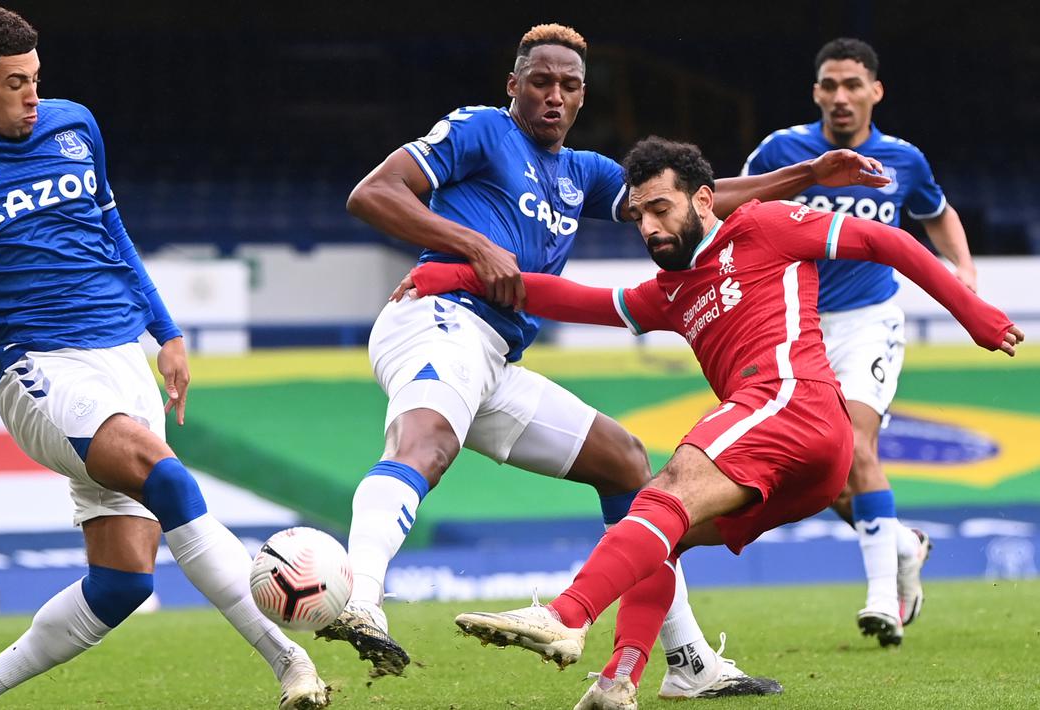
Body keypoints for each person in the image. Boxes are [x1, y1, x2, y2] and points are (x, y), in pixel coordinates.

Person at [320, 21, 887, 699]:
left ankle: (688, 662)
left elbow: (682, 197)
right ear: (513, 86)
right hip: (437, 318)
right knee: (426, 444)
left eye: (568, 85)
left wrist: (803, 174)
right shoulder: (477, 129)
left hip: (496, 353)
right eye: (540, 81)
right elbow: (372, 193)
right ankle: (361, 599)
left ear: (583, 96)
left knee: (623, 461)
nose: (553, 96)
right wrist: (471, 246)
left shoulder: (581, 173)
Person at [0, 7, 328, 710]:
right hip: (41, 372)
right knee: (168, 481)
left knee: (122, 584)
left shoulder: (73, 124)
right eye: (15, 83)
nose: (32, 96)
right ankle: (291, 662)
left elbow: (110, 228)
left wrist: (166, 330)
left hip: (123, 361)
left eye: (36, 78)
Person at [403, 136, 1021, 710]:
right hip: (803, 464)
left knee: (663, 490)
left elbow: (886, 242)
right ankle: (622, 677)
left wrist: (975, 315)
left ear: (703, 199)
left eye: (662, 209)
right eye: (640, 215)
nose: (649, 226)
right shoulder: (668, 292)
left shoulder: (764, 226)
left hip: (794, 401)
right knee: (661, 534)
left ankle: (567, 614)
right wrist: (448, 275)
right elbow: (567, 298)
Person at [741, 37, 977, 646]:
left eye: (852, 85)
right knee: (818, 470)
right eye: (829, 85)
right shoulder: (783, 151)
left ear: (876, 91)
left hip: (869, 322)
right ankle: (902, 545)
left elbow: (938, 212)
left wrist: (964, 273)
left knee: (856, 444)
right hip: (794, 328)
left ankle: (882, 601)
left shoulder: (904, 160)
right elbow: (733, 212)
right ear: (815, 92)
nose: (840, 97)